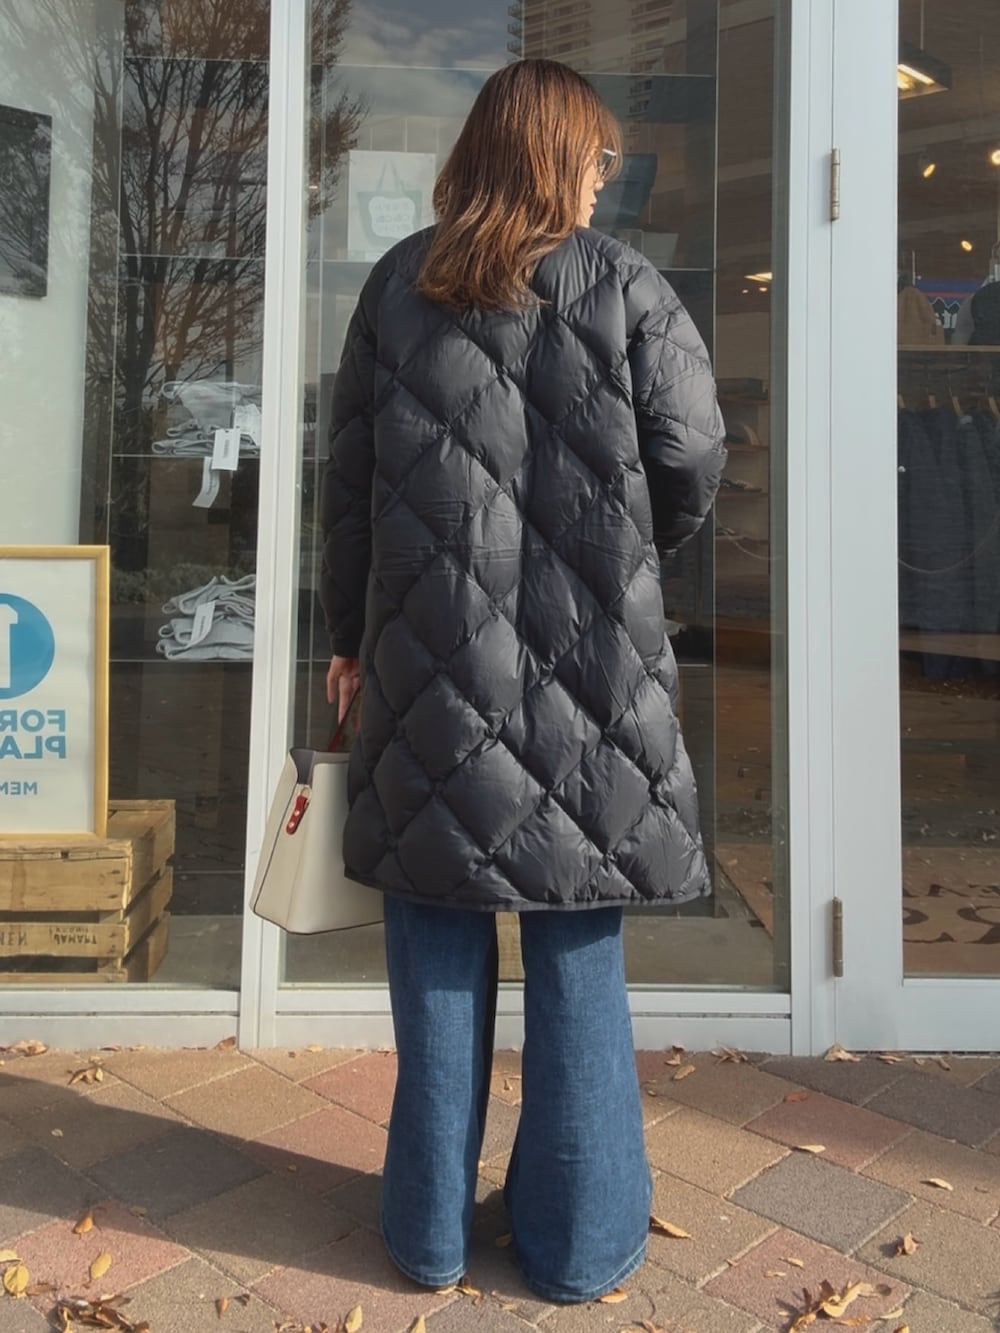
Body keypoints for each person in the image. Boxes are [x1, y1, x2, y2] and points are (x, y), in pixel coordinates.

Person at [320, 58, 725, 1304]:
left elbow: (348, 486)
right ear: (557, 159)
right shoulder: (630, 287)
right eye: (597, 160)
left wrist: (346, 636)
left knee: (435, 939)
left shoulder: (399, 284)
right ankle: (579, 1242)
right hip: (594, 669)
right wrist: (626, 547)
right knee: (576, 947)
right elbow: (693, 453)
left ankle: (428, 1236)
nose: (603, 181)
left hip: (429, 669)